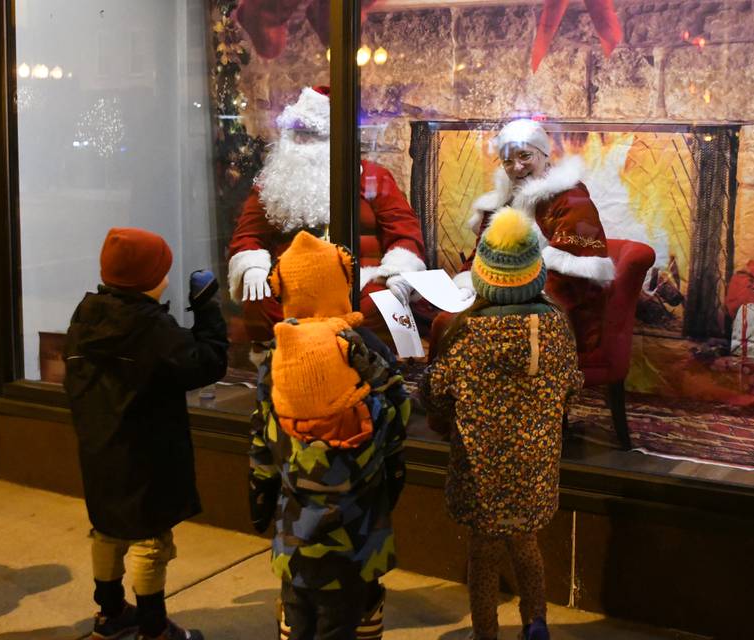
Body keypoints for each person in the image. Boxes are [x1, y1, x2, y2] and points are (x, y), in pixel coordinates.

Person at [422, 208, 584, 640]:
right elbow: (574, 386)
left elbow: (435, 393)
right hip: (534, 468)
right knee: (527, 545)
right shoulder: (556, 326)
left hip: (481, 474)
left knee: (484, 554)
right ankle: (536, 624)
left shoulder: (466, 331)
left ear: (483, 276)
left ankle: (486, 632)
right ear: (536, 273)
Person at [63, 228, 229, 640]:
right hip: (146, 455)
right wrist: (208, 310)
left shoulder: (87, 314)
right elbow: (205, 364)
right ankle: (155, 630)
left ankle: (110, 612)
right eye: (163, 271)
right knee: (149, 541)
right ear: (148, 279)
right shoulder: (149, 326)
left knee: (107, 531)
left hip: (100, 450)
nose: (168, 278)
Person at [248, 230, 408, 640]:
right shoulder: (364, 349)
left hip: (295, 529)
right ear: (339, 285)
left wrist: (260, 497)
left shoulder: (276, 355)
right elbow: (395, 423)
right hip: (358, 531)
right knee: (347, 619)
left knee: (298, 615)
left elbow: (263, 438)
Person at [228, 85, 429, 351]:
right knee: (259, 300)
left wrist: (398, 272)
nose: (301, 143)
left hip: (358, 284)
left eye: (311, 134)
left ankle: (363, 365)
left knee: (386, 303)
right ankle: (290, 365)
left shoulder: (373, 178)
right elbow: (247, 235)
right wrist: (252, 265)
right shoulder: (272, 184)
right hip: (290, 285)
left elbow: (404, 231)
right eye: (296, 133)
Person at [455, 118, 615, 352]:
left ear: (544, 155)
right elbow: (480, 256)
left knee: (493, 331)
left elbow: (569, 278)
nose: (516, 167)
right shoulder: (502, 201)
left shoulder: (572, 200)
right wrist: (465, 286)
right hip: (499, 297)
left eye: (525, 156)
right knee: (447, 323)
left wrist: (511, 302)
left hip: (552, 306)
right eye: (508, 161)